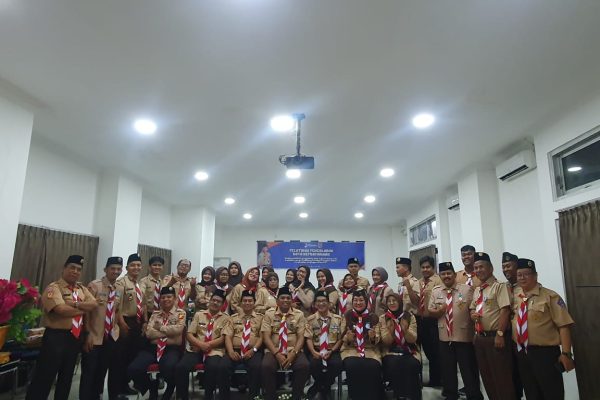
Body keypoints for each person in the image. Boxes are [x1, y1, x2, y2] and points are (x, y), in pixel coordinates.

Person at [26, 255, 98, 400]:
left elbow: (94, 304)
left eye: (79, 269)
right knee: (44, 377)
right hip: (55, 338)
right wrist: (84, 309)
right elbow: (61, 310)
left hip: (74, 338)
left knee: (66, 378)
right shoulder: (54, 288)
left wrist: (75, 304)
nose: (75, 271)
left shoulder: (81, 289)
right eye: (72, 267)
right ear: (64, 268)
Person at [512, 258, 575, 400]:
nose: (522, 278)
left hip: (545, 354)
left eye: (526, 274)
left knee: (552, 392)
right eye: (519, 275)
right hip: (522, 353)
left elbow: (564, 326)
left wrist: (566, 353)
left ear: (535, 275)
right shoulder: (516, 297)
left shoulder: (550, 296)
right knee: (531, 392)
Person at [428, 262, 483, 400]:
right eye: (443, 274)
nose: (446, 276)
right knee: (447, 370)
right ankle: (451, 394)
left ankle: (474, 396)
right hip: (444, 336)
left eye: (449, 273)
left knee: (468, 370)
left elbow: (474, 308)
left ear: (454, 275)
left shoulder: (466, 290)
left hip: (463, 336)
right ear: (440, 276)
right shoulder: (436, 291)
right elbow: (430, 310)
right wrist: (438, 311)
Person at [470, 252, 515, 400]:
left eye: (481, 267)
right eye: (476, 268)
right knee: (487, 378)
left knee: (502, 379)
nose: (478, 270)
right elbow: (473, 308)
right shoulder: (478, 290)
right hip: (480, 338)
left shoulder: (499, 286)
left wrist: (500, 334)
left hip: (495, 338)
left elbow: (505, 310)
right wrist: (472, 315)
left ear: (490, 268)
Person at [127, 286, 185, 400]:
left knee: (168, 367)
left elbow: (178, 331)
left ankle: (170, 388)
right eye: (163, 297)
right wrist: (168, 334)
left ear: (174, 299)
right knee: (133, 369)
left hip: (171, 348)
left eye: (169, 297)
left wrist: (160, 328)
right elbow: (149, 333)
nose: (166, 299)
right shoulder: (155, 314)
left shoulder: (180, 313)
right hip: (152, 348)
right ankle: (151, 386)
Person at [80, 256, 124, 400]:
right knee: (89, 372)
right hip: (94, 335)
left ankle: (96, 396)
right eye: (113, 268)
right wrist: (87, 333)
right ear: (105, 269)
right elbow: (86, 312)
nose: (116, 271)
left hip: (110, 337)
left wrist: (117, 329)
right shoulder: (94, 286)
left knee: (102, 370)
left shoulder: (120, 288)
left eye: (119, 269)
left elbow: (117, 310)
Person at [175, 290, 229, 400]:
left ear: (222, 304)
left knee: (212, 367)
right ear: (210, 301)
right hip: (196, 349)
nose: (215, 303)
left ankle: (208, 396)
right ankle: (183, 397)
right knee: (181, 367)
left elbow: (223, 338)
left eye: (218, 301)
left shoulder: (226, 318)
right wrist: (201, 345)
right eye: (213, 300)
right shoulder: (199, 314)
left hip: (215, 350)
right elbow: (189, 334)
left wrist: (207, 345)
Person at [260, 286, 310, 400]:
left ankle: (296, 397)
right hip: (273, 350)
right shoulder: (269, 314)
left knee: (304, 365)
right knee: (266, 366)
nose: (285, 300)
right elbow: (266, 337)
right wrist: (277, 353)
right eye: (282, 298)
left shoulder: (299, 314)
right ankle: (271, 397)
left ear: (291, 300)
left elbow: (301, 337)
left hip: (293, 349)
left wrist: (294, 353)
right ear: (277, 300)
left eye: (288, 298)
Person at [341, 289, 382, 400]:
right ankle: (354, 396)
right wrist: (348, 338)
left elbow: (378, 336)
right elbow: (341, 335)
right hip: (351, 349)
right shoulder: (347, 315)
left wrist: (373, 337)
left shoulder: (373, 316)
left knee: (373, 365)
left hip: (369, 349)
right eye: (355, 300)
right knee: (352, 365)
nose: (358, 303)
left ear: (366, 301)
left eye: (361, 300)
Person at [222, 289, 264, 400]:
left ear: (254, 302)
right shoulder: (233, 318)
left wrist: (253, 350)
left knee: (256, 367)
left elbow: (262, 337)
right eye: (245, 301)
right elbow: (227, 336)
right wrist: (230, 351)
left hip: (253, 351)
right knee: (222, 366)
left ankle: (254, 397)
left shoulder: (260, 318)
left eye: (250, 301)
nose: (247, 303)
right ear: (241, 303)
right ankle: (224, 397)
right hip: (235, 350)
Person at [114, 253, 146, 396]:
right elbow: (116, 306)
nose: (136, 267)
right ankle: (118, 388)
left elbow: (143, 304)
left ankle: (125, 384)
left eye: (138, 265)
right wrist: (121, 323)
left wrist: (145, 321)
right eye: (133, 265)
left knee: (132, 355)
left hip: (137, 322)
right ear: (127, 267)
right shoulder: (121, 283)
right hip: (125, 322)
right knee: (121, 357)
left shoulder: (138, 284)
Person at [380, 292, 421, 400]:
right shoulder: (383, 318)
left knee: (412, 364)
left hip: (409, 350)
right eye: (389, 301)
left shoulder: (409, 316)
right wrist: (392, 331)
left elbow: (413, 339)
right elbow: (385, 341)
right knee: (394, 364)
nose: (392, 303)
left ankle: (412, 396)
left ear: (400, 302)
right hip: (390, 351)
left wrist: (405, 330)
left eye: (394, 301)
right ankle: (399, 396)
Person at [304, 290, 344, 400]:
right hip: (316, 350)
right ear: (314, 304)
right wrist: (313, 352)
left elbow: (340, 339)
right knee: (313, 365)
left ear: (329, 303)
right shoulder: (310, 319)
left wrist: (331, 351)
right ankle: (325, 390)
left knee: (337, 365)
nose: (321, 304)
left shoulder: (338, 319)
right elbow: (308, 338)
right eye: (318, 301)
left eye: (324, 301)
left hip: (332, 350)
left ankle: (318, 387)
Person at [416, 255, 443, 387]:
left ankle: (437, 380)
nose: (425, 269)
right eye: (423, 267)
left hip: (434, 320)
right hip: (421, 320)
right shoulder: (420, 282)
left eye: (428, 267)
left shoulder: (438, 281)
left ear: (433, 267)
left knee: (435, 352)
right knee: (427, 351)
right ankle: (432, 379)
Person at [501, 251, 524, 400]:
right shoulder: (503, 288)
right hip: (507, 337)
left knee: (526, 374)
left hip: (523, 339)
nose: (506, 269)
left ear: (517, 266)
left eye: (509, 265)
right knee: (511, 374)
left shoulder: (526, 287)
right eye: (503, 266)